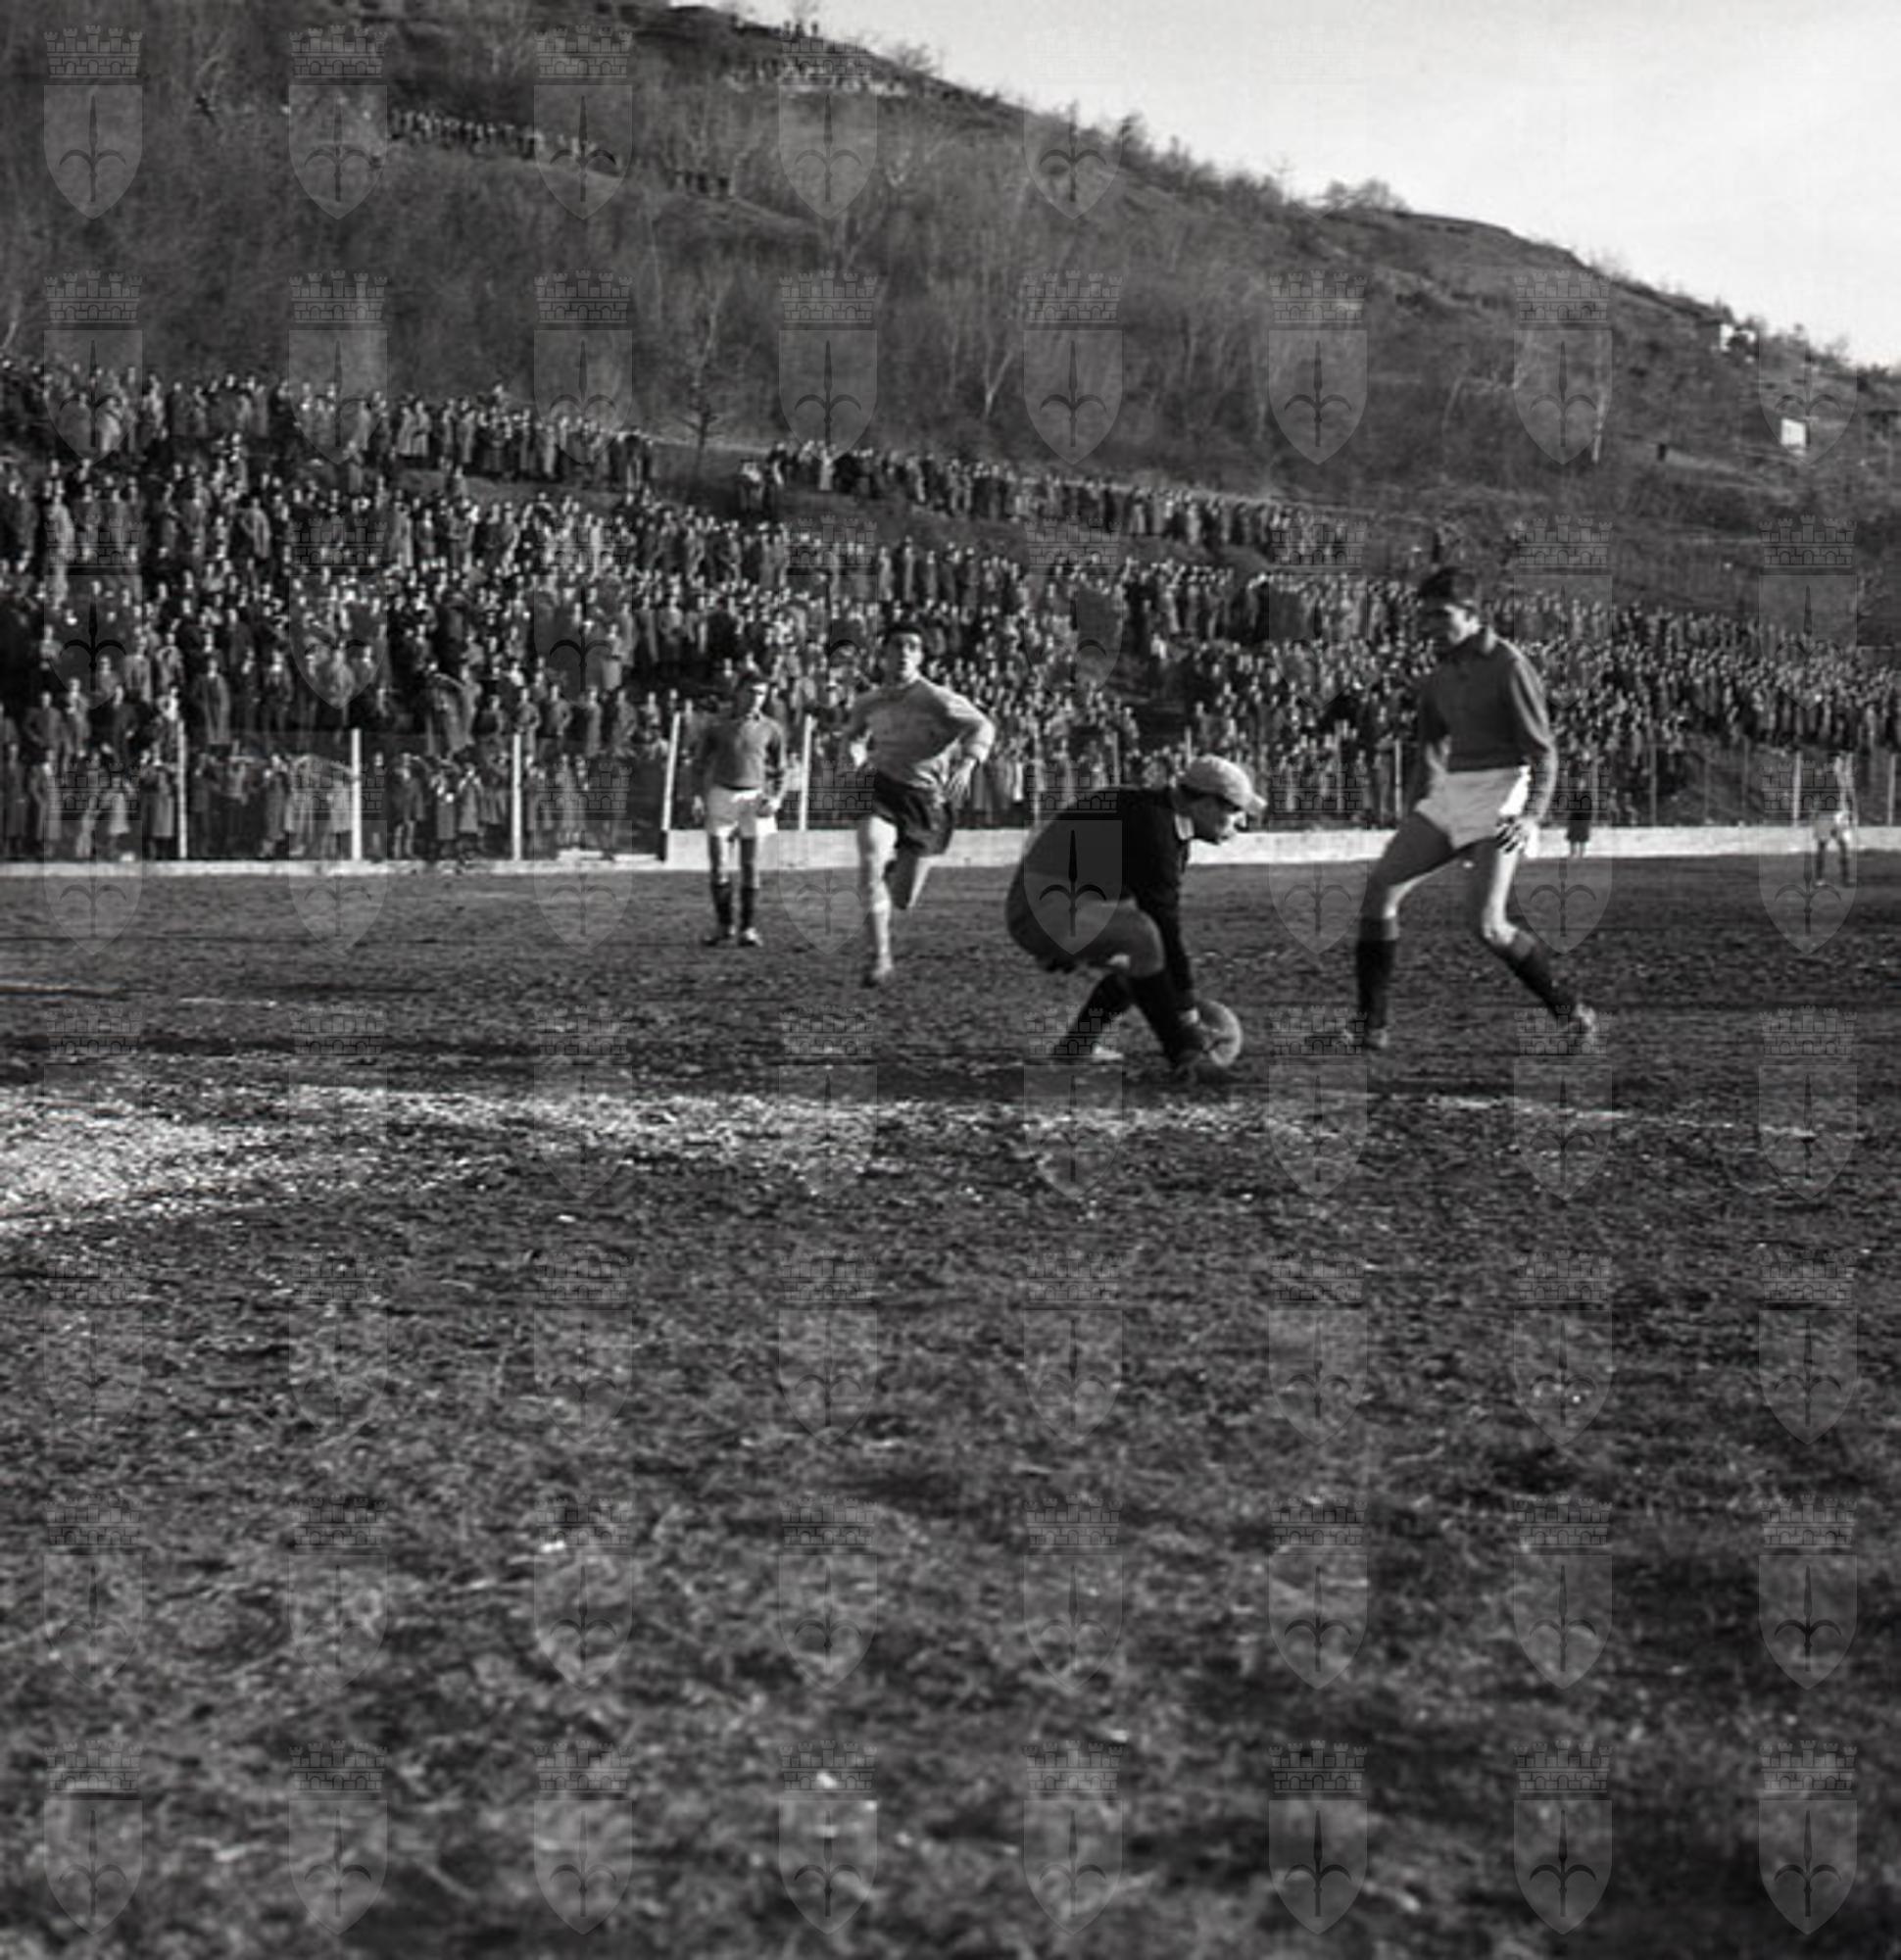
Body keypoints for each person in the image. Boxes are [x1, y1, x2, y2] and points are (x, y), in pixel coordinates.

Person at [1338, 566, 1597, 1054]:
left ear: (1473, 614)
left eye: (1442, 615)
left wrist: (1530, 815)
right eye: (1425, 616)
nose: (1431, 626)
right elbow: (1431, 749)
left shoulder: (1509, 665)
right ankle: (1371, 1026)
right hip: (1452, 791)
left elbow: (1543, 751)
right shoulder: (1438, 675)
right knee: (1379, 892)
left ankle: (1570, 1013)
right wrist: (1416, 811)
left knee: (1487, 926)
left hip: (1503, 792)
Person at [1006, 755, 1262, 1083]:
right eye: (1235, 810)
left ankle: (1076, 1047)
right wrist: (1187, 1016)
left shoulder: (1157, 819)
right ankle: (1184, 1056)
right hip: (1040, 911)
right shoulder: (1153, 826)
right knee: (1143, 938)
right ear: (1206, 804)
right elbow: (1164, 926)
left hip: (1057, 906)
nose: (1241, 822)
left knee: (1142, 958)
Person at [839, 619, 996, 987]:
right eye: (897, 645)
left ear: (922, 657)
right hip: (880, 786)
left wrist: (969, 763)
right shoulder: (869, 701)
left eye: (912, 647)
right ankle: (879, 957)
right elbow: (854, 734)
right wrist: (854, 755)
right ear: (884, 653)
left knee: (904, 899)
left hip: (925, 799)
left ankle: (893, 873)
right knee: (869, 859)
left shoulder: (936, 699)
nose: (904, 653)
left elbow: (983, 726)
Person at [690, 669, 787, 947]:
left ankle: (748, 928)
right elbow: (698, 765)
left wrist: (777, 798)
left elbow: (781, 770)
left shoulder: (771, 729)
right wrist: (697, 796)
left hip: (754, 798)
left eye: (761, 694)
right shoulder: (717, 726)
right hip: (721, 795)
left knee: (750, 865)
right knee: (718, 864)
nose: (756, 699)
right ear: (738, 692)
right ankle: (724, 926)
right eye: (751, 692)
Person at [1812, 751, 1856, 888]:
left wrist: (1852, 815)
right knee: (1822, 846)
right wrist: (1815, 811)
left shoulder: (1845, 778)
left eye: (1838, 762)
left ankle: (1846, 878)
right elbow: (1815, 795)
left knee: (1844, 846)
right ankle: (1819, 879)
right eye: (1834, 762)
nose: (1836, 765)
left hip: (1840, 815)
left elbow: (1850, 797)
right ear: (1829, 763)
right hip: (1825, 814)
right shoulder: (1822, 777)